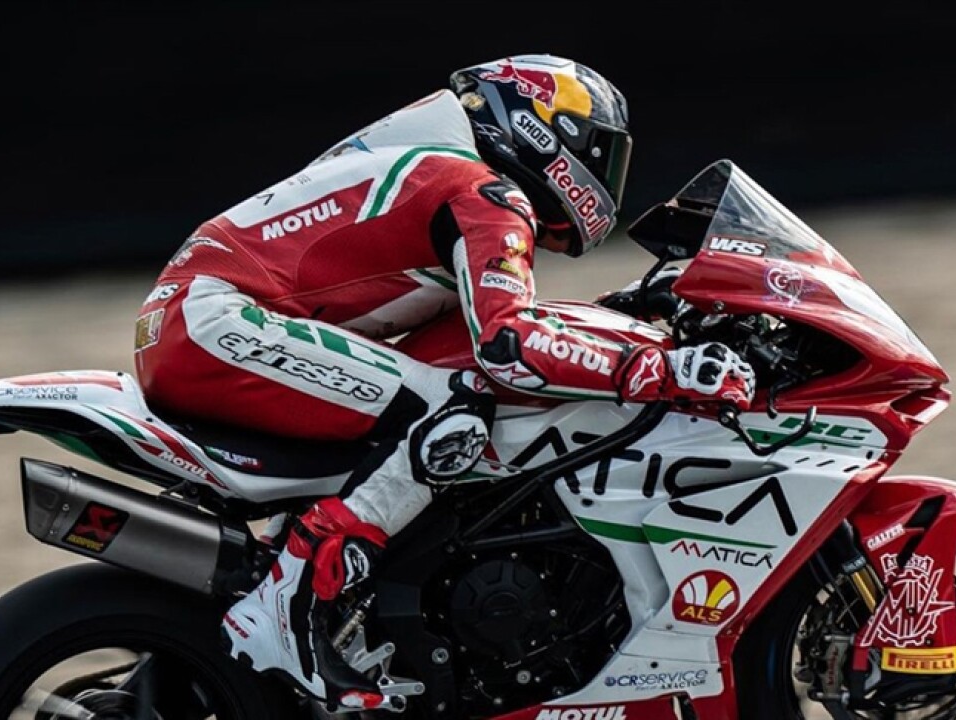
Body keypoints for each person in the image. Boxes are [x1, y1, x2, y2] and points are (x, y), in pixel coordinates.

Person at [133, 54, 756, 709]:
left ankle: (326, 600)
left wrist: (626, 312)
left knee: (425, 400)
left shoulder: (442, 168)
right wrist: (660, 370)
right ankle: (291, 602)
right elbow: (509, 346)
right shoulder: (483, 192)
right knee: (451, 413)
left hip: (200, 320)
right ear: (546, 131)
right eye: (600, 153)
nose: (604, 178)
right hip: (216, 323)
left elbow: (482, 334)